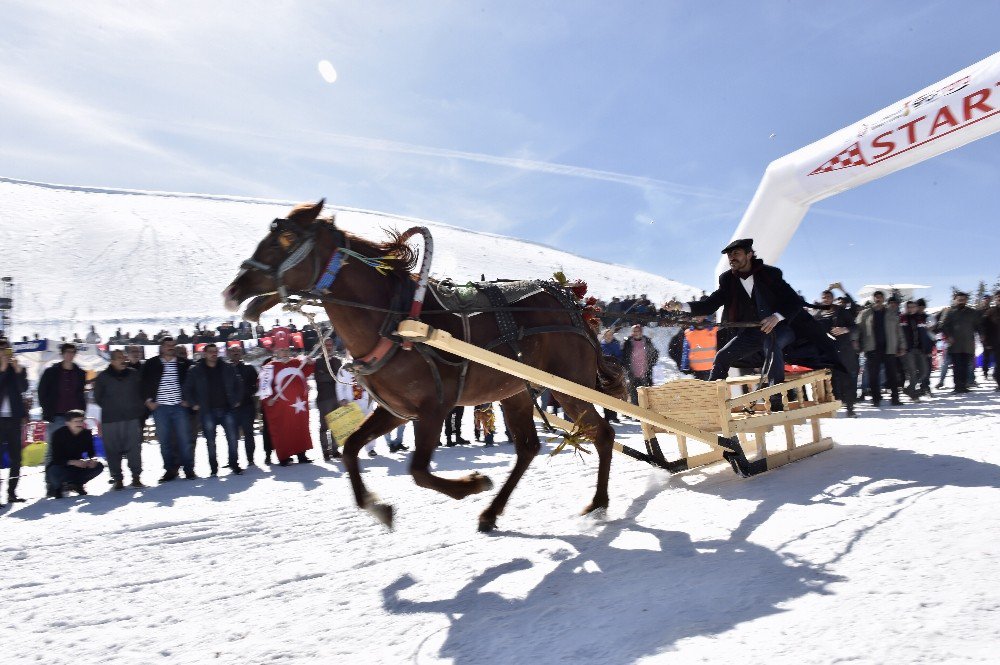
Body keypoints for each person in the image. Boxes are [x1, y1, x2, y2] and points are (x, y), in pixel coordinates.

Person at [676, 238, 842, 412]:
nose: (732, 257)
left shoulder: (770, 274)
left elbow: (793, 301)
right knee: (722, 357)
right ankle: (712, 401)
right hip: (752, 333)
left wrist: (776, 317)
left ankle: (775, 396)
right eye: (729, 255)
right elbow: (709, 305)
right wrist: (681, 306)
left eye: (736, 253)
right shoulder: (727, 280)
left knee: (772, 344)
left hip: (782, 328)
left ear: (749, 254)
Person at [184, 343, 244, 476]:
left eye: (216, 351)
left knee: (233, 438)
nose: (214, 354)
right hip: (207, 411)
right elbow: (187, 389)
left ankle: (234, 464)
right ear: (204, 353)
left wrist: (237, 399)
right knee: (210, 441)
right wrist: (193, 404)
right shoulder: (195, 370)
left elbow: (239, 383)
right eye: (211, 351)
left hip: (227, 408)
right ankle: (213, 468)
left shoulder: (227, 367)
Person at [141, 337, 195, 481]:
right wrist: (148, 402)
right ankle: (170, 470)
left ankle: (189, 470)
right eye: (168, 345)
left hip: (179, 407)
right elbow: (142, 384)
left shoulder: (183, 363)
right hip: (160, 408)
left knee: (185, 440)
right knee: (165, 442)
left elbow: (193, 382)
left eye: (173, 345)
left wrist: (189, 400)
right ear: (161, 347)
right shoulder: (151, 363)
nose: (171, 347)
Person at [93, 350, 146, 490]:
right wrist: (112, 406)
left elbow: (142, 393)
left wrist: (137, 410)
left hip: (132, 418)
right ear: (112, 361)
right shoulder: (103, 377)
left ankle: (136, 477)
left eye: (123, 357)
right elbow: (98, 397)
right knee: (112, 450)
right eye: (118, 358)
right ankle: (118, 479)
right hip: (110, 419)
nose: (122, 360)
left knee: (134, 449)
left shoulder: (134, 374)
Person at [259, 341, 314, 465]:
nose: (285, 352)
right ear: (276, 352)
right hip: (281, 407)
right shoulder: (269, 367)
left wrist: (309, 362)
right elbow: (263, 387)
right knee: (283, 431)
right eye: (282, 350)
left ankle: (302, 455)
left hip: (298, 406)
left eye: (287, 349)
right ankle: (284, 457)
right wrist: (268, 399)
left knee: (300, 428)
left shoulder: (296, 363)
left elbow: (307, 370)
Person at [812, 284, 860, 415]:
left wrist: (845, 329)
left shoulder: (842, 311)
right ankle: (834, 406)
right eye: (824, 297)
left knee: (847, 379)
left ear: (832, 299)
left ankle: (850, 408)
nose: (826, 299)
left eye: (828, 297)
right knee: (831, 380)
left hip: (844, 351)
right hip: (828, 352)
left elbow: (855, 327)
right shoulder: (818, 314)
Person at [856, 291, 906, 406]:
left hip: (889, 348)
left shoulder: (891, 313)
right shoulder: (865, 313)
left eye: (880, 297)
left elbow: (898, 331)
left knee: (892, 374)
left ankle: (895, 398)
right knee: (873, 375)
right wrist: (857, 342)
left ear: (883, 299)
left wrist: (902, 345)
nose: (878, 299)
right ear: (873, 299)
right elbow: (858, 328)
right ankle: (876, 398)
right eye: (876, 297)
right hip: (872, 348)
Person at [37, 343, 87, 448]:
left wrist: (83, 411)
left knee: (74, 447)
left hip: (75, 416)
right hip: (56, 415)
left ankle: (71, 464)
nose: (70, 354)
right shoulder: (51, 372)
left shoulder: (80, 373)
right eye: (68, 352)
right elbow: (42, 391)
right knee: (53, 448)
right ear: (62, 354)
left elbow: (81, 393)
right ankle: (52, 465)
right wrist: (46, 408)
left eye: (73, 352)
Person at [45, 410, 104, 498]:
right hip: (62, 465)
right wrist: (73, 462)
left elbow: (91, 452)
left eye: (81, 421)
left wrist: (93, 459)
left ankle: (77, 484)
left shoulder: (86, 434)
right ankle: (58, 488)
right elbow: (56, 458)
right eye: (76, 421)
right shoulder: (58, 434)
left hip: (79, 466)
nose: (79, 423)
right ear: (67, 423)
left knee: (98, 466)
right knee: (53, 471)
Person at [0, 340, 29, 504]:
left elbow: (23, 388)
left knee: (16, 458)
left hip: (14, 418)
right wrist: (3, 370)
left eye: (6, 349)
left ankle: (12, 492)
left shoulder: (18, 369)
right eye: (1, 350)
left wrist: (17, 371)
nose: (4, 353)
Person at [939, 291, 982, 394]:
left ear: (966, 300)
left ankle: (964, 386)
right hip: (954, 345)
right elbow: (942, 326)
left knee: (966, 366)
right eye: (959, 300)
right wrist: (948, 336)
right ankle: (958, 386)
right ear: (955, 300)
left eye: (963, 300)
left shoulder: (972, 312)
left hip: (968, 344)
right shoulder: (949, 312)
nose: (961, 301)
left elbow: (978, 326)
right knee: (957, 366)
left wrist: (981, 334)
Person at [335, 356, 377, 456]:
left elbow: (374, 382)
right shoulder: (344, 369)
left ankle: (370, 448)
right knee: (350, 427)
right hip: (351, 402)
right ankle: (349, 449)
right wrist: (341, 399)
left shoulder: (367, 367)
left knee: (369, 425)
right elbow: (339, 385)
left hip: (366, 400)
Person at [226, 345, 260, 465]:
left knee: (248, 433)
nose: (235, 353)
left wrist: (245, 394)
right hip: (230, 408)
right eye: (233, 351)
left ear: (241, 353)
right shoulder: (224, 369)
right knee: (232, 435)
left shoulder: (249, 368)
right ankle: (233, 461)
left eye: (238, 351)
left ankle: (250, 459)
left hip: (247, 406)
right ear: (228, 353)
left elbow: (257, 385)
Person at [314, 338, 344, 460]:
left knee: (336, 425)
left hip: (337, 397)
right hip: (324, 398)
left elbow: (342, 378)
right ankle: (325, 451)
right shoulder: (318, 362)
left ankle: (335, 450)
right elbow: (320, 378)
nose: (329, 347)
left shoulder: (338, 361)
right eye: (326, 345)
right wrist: (333, 376)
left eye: (330, 345)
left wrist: (329, 376)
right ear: (322, 347)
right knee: (324, 427)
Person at [900, 300, 933, 400]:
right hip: (908, 350)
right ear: (905, 308)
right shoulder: (902, 318)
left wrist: (927, 349)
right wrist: (901, 347)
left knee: (924, 372)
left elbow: (925, 335)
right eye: (909, 307)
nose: (911, 309)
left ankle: (909, 389)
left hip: (920, 349)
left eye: (913, 307)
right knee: (913, 372)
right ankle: (913, 393)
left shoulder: (921, 318)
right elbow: (899, 334)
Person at [621, 324, 659, 404]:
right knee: (634, 395)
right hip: (632, 374)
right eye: (634, 331)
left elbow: (655, 353)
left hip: (645, 374)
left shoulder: (647, 341)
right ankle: (635, 414)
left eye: (638, 331)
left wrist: (651, 365)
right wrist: (626, 370)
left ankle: (645, 413)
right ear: (632, 332)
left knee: (645, 395)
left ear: (641, 332)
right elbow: (624, 357)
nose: (636, 333)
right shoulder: (628, 342)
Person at [599, 329, 623, 423]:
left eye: (610, 335)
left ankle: (614, 415)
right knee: (605, 394)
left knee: (614, 394)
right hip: (604, 372)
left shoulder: (616, 344)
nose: (609, 337)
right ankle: (607, 416)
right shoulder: (601, 345)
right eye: (607, 335)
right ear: (604, 336)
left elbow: (620, 356)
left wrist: (615, 361)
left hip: (614, 371)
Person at [980, 291, 1000, 391]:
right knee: (998, 363)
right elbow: (984, 326)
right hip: (996, 342)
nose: (999, 298)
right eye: (998, 297)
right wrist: (986, 341)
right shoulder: (991, 311)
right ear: (995, 299)